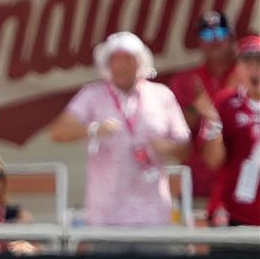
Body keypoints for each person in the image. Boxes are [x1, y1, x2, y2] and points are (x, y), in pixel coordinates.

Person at [49, 31, 190, 228]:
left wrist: (168, 148)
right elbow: (58, 132)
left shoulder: (162, 95)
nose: (122, 66)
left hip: (153, 215)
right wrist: (92, 130)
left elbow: (186, 146)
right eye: (116, 60)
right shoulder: (91, 95)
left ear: (139, 63)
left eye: (128, 60)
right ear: (107, 65)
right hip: (106, 216)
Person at [168, 10, 242, 199]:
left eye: (220, 34)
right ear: (199, 42)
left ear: (232, 38)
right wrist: (197, 109)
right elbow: (172, 132)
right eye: (207, 35)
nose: (214, 40)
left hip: (243, 184)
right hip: (198, 186)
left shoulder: (248, 76)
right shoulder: (185, 80)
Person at [202, 34, 260, 226]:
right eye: (247, 63)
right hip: (233, 212)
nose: (254, 69)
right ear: (238, 68)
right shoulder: (226, 102)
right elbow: (213, 161)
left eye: (259, 62)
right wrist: (215, 127)